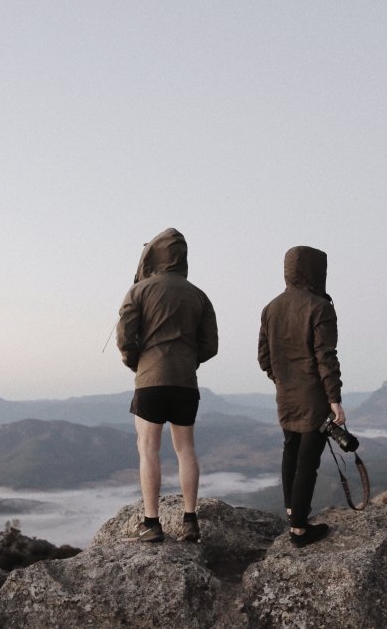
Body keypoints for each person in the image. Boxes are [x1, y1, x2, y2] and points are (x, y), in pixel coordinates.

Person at [117, 228, 218, 542]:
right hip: (186, 381)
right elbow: (210, 345)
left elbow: (124, 337)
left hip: (150, 380)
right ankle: (190, 520)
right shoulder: (199, 295)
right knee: (185, 448)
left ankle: (152, 523)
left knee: (148, 449)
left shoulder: (140, 291)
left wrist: (136, 362)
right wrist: (188, 361)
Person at [258, 245, 344, 548]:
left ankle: (292, 511)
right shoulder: (320, 307)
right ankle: (299, 529)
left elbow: (264, 358)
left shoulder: (271, 308)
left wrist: (284, 380)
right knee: (308, 460)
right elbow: (326, 357)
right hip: (314, 396)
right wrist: (334, 400)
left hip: (286, 394)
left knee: (290, 450)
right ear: (316, 271)